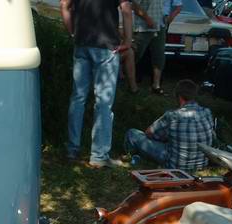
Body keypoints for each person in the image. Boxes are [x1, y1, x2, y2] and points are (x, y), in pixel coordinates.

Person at [61, 0, 133, 168]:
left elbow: (64, 4)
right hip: (106, 46)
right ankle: (99, 155)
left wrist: (73, 33)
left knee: (78, 98)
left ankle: (72, 149)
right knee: (103, 102)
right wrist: (128, 40)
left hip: (82, 43)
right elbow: (127, 9)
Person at [124, 79, 214, 171]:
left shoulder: (172, 115)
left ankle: (133, 157)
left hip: (176, 165)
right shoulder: (207, 112)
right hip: (201, 164)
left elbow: (149, 133)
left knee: (132, 134)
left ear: (179, 96)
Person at [130, 0, 165, 94]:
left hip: (159, 26)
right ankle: (128, 83)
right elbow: (134, 5)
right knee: (135, 55)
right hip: (142, 27)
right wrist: (147, 19)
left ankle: (156, 85)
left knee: (159, 55)